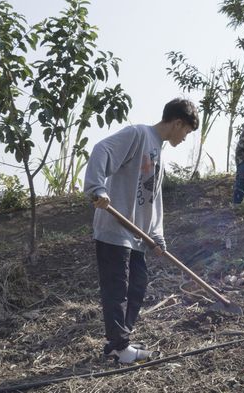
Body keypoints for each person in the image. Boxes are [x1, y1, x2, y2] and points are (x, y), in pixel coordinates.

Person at [84, 98, 199, 364]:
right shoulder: (137, 134)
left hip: (135, 235)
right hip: (114, 229)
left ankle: (119, 343)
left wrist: (157, 235)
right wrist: (97, 189)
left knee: (137, 285)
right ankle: (119, 347)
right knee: (117, 290)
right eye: (186, 132)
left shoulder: (158, 151)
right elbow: (102, 150)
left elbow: (153, 199)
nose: (185, 138)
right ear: (178, 123)